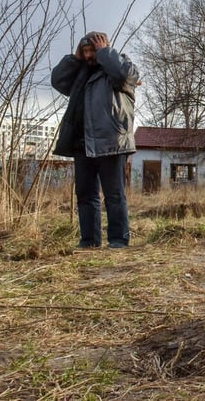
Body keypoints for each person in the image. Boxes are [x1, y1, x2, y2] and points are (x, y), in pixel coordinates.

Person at [51, 32, 139, 249]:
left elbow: (123, 75)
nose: (90, 55)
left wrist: (104, 52)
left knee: (114, 195)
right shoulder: (80, 74)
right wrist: (76, 58)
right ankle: (89, 241)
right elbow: (58, 81)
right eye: (86, 52)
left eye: (93, 51)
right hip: (82, 143)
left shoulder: (120, 66)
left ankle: (118, 240)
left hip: (111, 142)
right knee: (85, 195)